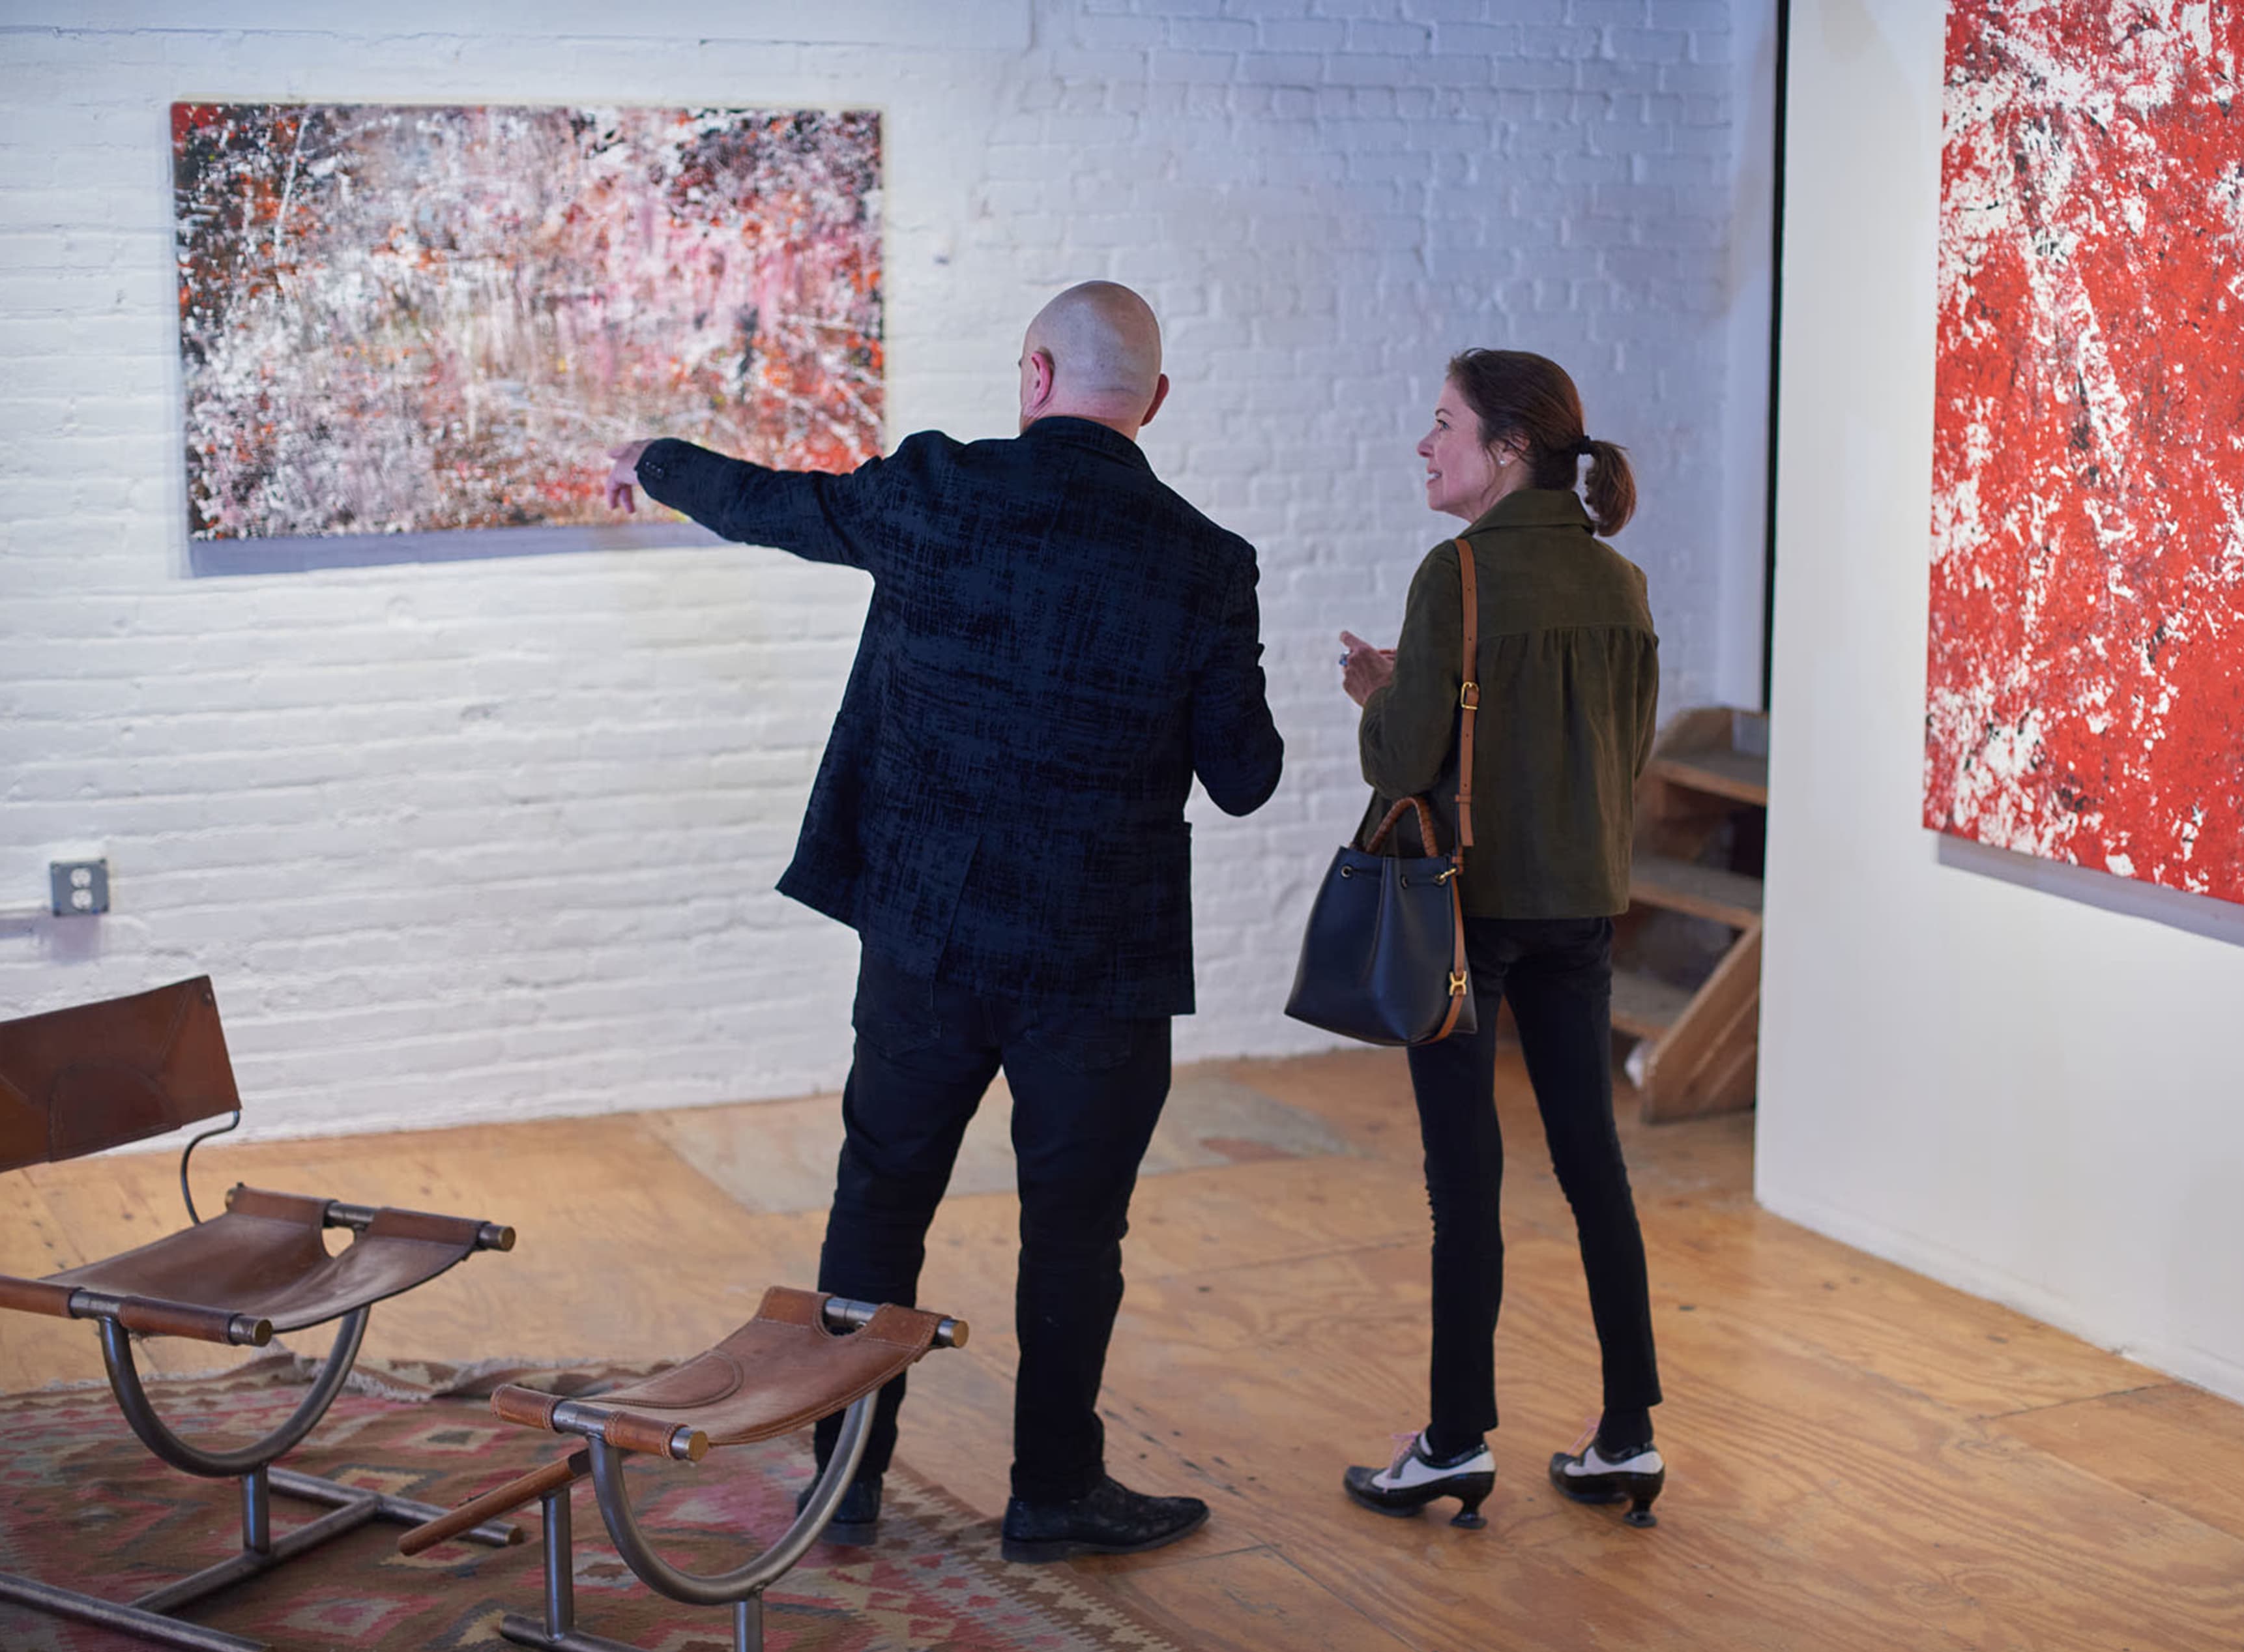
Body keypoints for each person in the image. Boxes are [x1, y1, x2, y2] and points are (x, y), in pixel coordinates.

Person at [605, 281, 1283, 1563]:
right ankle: (1053, 1494)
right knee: (1078, 1229)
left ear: (1033, 374)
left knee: (882, 1197)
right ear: (1156, 400)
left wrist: (652, 461)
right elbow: (1243, 777)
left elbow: (773, 505)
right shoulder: (1206, 563)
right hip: (1100, 960)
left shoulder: (933, 490)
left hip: (929, 929)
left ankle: (846, 1482)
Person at [1334, 349, 1667, 1531]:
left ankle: (1454, 1442)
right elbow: (1624, 760)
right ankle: (1628, 1436)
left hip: (1465, 916)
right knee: (1595, 1174)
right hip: (1582, 909)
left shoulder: (1457, 576)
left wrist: (1378, 692)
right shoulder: (1620, 584)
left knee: (1463, 1185)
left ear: (1510, 447)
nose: (1425, 446)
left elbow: (1400, 760)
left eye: (1442, 425)